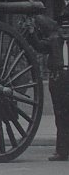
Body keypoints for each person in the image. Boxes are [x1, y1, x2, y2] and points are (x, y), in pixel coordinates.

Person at [27, 11, 69, 161]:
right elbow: (39, 46)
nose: (66, 31)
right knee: (60, 115)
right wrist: (32, 33)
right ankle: (62, 152)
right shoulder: (53, 41)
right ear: (59, 29)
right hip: (58, 79)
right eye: (63, 28)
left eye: (68, 28)